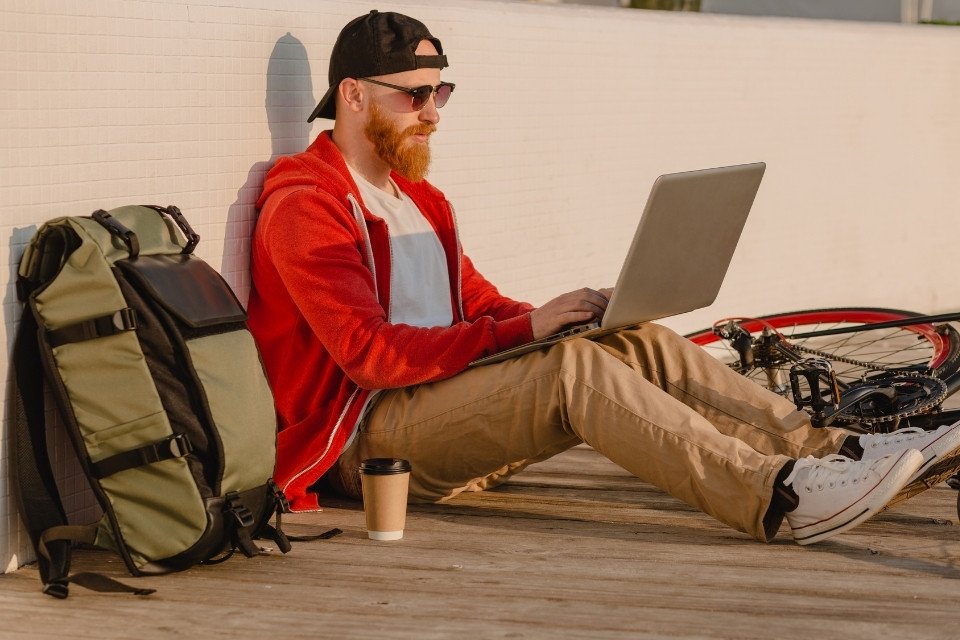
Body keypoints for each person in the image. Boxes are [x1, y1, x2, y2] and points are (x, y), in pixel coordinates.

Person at [247, 10, 960, 545]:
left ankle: (835, 453)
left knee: (632, 339)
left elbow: (476, 305)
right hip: (367, 444)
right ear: (353, 95)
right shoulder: (307, 201)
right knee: (573, 372)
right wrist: (526, 333)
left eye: (442, 93)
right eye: (414, 96)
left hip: (443, 411)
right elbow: (369, 355)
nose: (433, 113)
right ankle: (778, 497)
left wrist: (568, 314)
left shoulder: (422, 200)